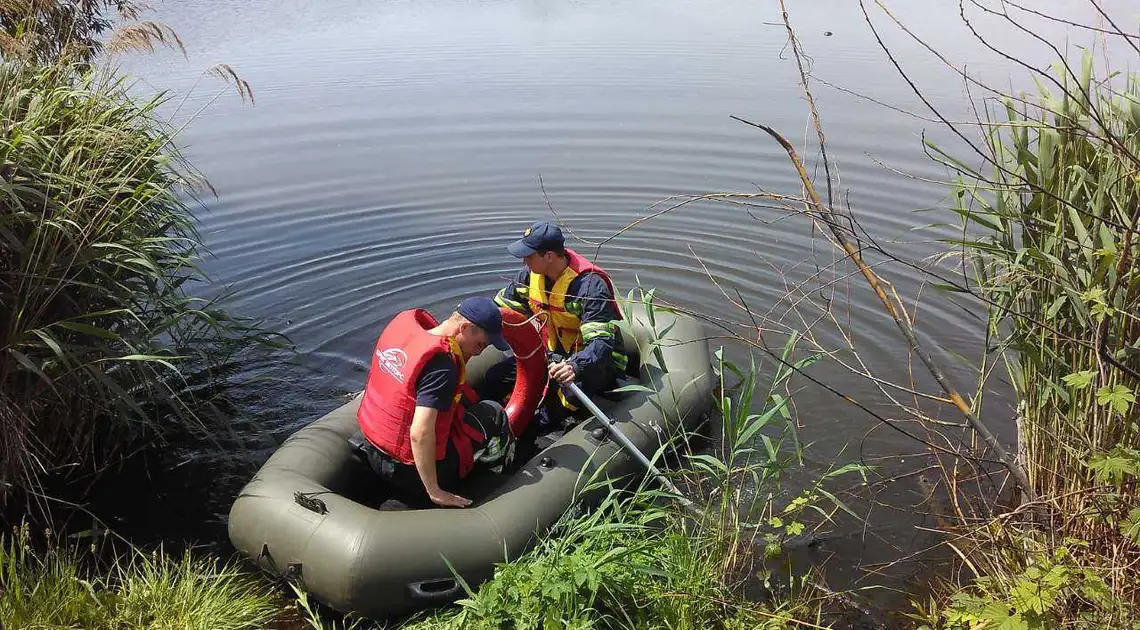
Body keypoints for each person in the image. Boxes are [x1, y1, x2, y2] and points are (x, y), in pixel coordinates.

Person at [355, 297, 514, 508]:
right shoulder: (442, 366)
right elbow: (420, 433)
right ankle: (485, 485)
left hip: (372, 449)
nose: (480, 351)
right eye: (481, 344)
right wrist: (434, 490)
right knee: (493, 412)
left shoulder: (406, 333)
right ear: (466, 327)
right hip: (409, 470)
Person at [487, 220, 629, 430]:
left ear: (549, 256)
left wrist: (574, 366)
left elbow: (601, 344)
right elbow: (500, 309)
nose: (524, 262)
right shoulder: (528, 277)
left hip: (592, 361)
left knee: (560, 403)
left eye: (529, 256)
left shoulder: (589, 287)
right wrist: (473, 317)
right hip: (551, 355)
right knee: (495, 377)